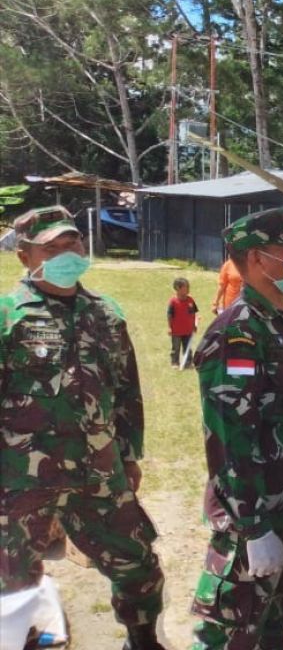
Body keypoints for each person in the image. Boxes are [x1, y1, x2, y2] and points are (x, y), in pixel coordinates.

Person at [0, 206, 167, 650]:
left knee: (137, 562)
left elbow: (126, 393)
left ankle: (143, 637)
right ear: (25, 256)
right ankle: (23, 638)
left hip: (100, 470)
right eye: (50, 247)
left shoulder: (106, 314)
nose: (65, 253)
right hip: (23, 478)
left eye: (70, 243)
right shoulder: (7, 315)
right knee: (13, 572)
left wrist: (129, 456)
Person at [189, 208, 283, 649]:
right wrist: (253, 528)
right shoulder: (237, 332)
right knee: (229, 632)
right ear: (256, 258)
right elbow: (230, 440)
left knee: (274, 626)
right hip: (254, 513)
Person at [168, 276, 200, 368]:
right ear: (178, 288)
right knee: (176, 348)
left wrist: (194, 325)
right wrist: (170, 328)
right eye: (186, 287)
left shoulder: (190, 300)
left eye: (188, 287)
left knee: (188, 348)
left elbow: (193, 313)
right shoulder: (173, 302)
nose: (188, 289)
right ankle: (175, 363)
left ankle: (188, 363)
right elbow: (170, 315)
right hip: (176, 330)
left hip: (188, 330)